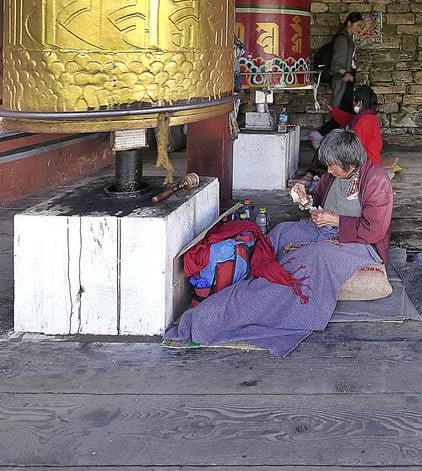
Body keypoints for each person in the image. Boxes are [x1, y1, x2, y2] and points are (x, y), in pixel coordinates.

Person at [164, 130, 393, 356]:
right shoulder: (333, 174)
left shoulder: (376, 182)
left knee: (313, 257)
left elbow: (374, 230)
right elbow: (319, 197)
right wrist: (307, 198)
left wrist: (334, 219)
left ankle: (257, 300)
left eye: (333, 166)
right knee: (283, 233)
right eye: (328, 166)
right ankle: (247, 277)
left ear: (350, 163)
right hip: (326, 229)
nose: (329, 170)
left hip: (361, 244)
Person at [310, 11, 364, 150]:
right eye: (357, 25)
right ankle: (320, 134)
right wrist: (346, 73)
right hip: (343, 80)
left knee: (345, 112)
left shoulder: (348, 38)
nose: (359, 29)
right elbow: (336, 64)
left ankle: (329, 138)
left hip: (347, 80)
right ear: (349, 23)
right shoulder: (342, 39)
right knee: (345, 113)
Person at [327, 85, 382, 166]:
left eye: (354, 99)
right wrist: (333, 110)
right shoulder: (368, 116)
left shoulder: (364, 121)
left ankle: (310, 175)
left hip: (366, 165)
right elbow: (349, 119)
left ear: (360, 102)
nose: (352, 102)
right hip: (370, 161)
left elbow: (353, 147)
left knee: (328, 153)